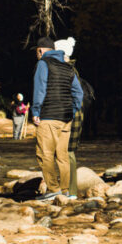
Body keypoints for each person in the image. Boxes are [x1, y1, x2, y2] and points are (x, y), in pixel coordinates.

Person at [31, 37, 83, 199]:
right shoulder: (68, 67)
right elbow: (79, 93)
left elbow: (40, 89)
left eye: (37, 52)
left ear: (40, 51)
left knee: (44, 154)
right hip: (66, 118)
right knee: (62, 156)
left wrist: (35, 111)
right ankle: (65, 190)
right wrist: (73, 110)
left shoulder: (43, 64)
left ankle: (53, 190)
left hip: (48, 116)